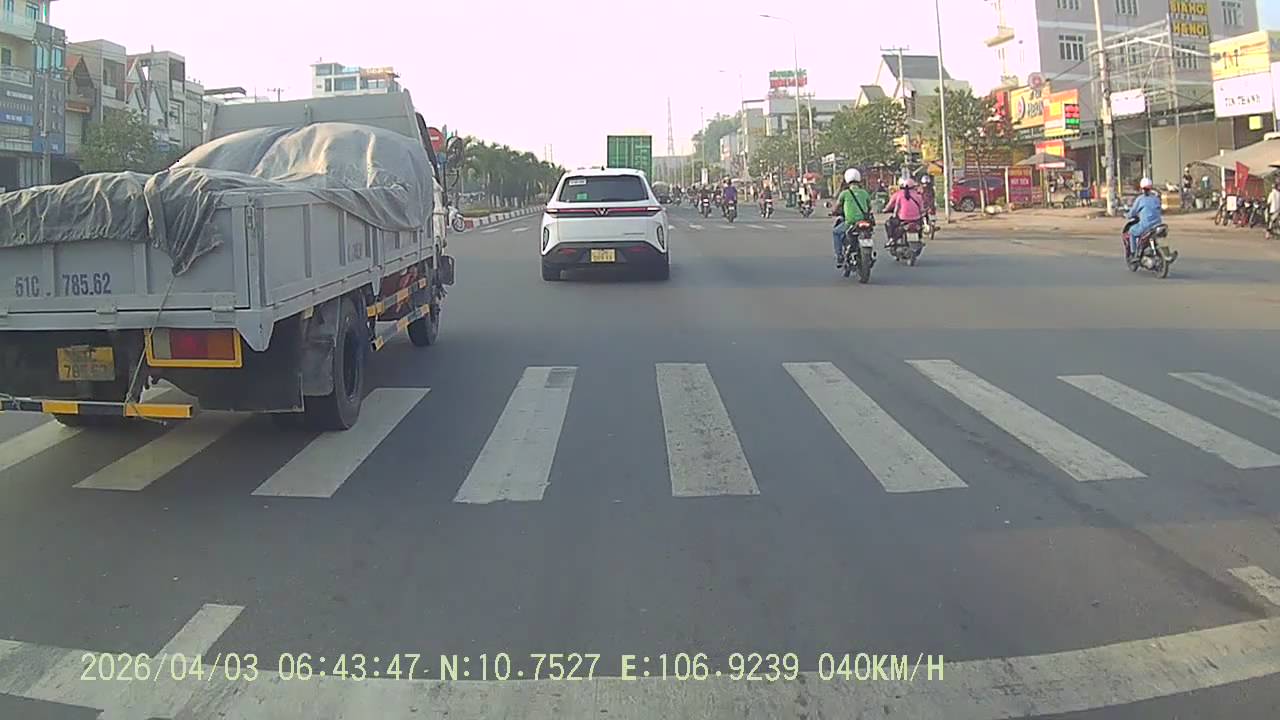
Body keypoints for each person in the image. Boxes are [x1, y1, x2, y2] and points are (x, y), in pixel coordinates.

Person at [831, 168, 874, 267]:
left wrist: (833, 212)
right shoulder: (864, 193)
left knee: (836, 232)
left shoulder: (844, 193)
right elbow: (869, 207)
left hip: (850, 222)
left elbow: (836, 207)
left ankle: (839, 256)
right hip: (864, 221)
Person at [1125, 177, 1164, 264]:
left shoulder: (1140, 199)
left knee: (1131, 232)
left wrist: (1127, 215)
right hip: (1158, 224)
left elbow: (1133, 212)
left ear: (1141, 188)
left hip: (1146, 226)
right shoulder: (1156, 198)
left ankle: (1133, 254)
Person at [882, 177, 926, 248]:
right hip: (916, 220)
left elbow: (896, 208)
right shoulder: (918, 196)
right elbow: (921, 209)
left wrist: (894, 215)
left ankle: (892, 239)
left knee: (889, 223)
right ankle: (920, 238)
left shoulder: (899, 195)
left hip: (903, 219)